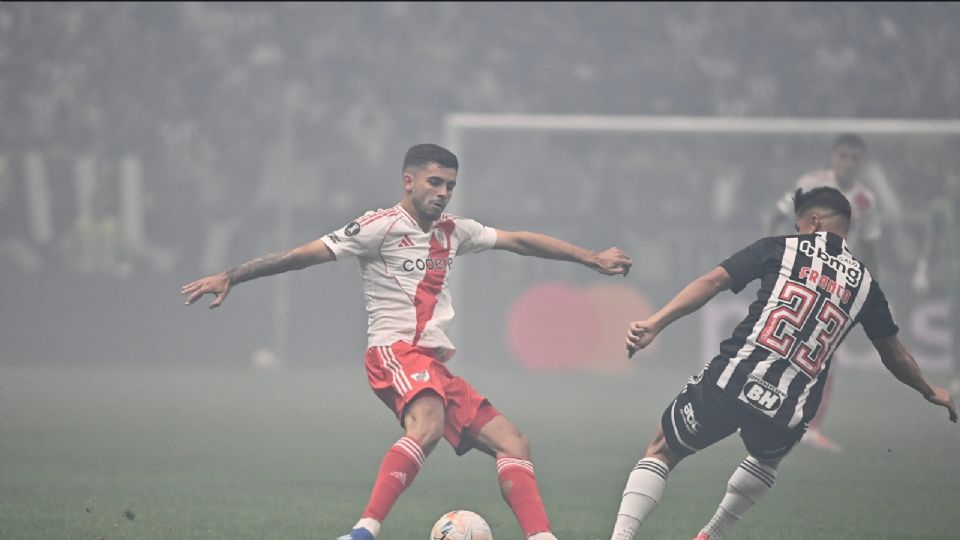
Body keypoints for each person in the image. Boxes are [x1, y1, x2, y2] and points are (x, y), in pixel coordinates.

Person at [181, 143, 633, 540]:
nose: (442, 192)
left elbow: (519, 241)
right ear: (408, 180)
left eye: (450, 185)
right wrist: (232, 275)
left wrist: (590, 257)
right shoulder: (378, 226)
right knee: (428, 424)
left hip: (433, 365)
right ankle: (363, 532)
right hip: (393, 352)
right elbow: (302, 256)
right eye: (435, 182)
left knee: (513, 442)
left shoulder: (455, 231)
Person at [606, 187, 955, 540]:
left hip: (735, 378)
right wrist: (929, 390)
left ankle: (621, 538)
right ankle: (715, 532)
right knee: (766, 459)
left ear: (814, 222)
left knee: (664, 447)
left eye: (799, 224)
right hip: (790, 407)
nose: (797, 231)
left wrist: (655, 322)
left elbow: (713, 282)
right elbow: (893, 353)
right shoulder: (865, 285)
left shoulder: (780, 248)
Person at [765, 133, 881, 452]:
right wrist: (772, 253)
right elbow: (778, 214)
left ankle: (810, 427)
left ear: (861, 163)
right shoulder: (812, 183)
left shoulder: (864, 201)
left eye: (854, 158)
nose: (847, 162)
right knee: (782, 343)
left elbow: (870, 246)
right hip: (801, 277)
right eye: (842, 156)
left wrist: (873, 290)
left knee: (824, 355)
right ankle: (769, 409)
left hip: (837, 285)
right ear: (832, 157)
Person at [912, 170, 960, 394]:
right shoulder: (940, 208)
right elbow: (931, 239)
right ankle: (957, 374)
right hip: (953, 270)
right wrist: (922, 269)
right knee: (957, 323)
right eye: (953, 177)